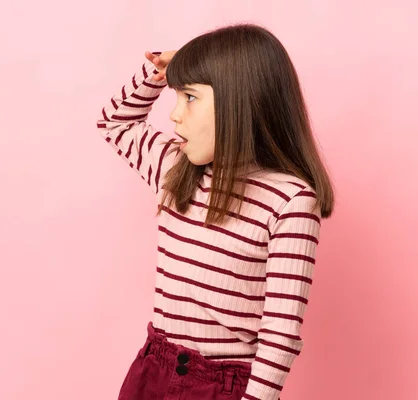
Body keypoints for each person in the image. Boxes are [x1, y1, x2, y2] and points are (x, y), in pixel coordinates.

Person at [96, 22, 335, 400]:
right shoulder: (174, 169)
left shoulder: (290, 201)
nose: (174, 115)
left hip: (219, 387)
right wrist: (162, 70)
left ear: (239, 99)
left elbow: (280, 333)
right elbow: (115, 122)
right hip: (151, 370)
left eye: (189, 97)